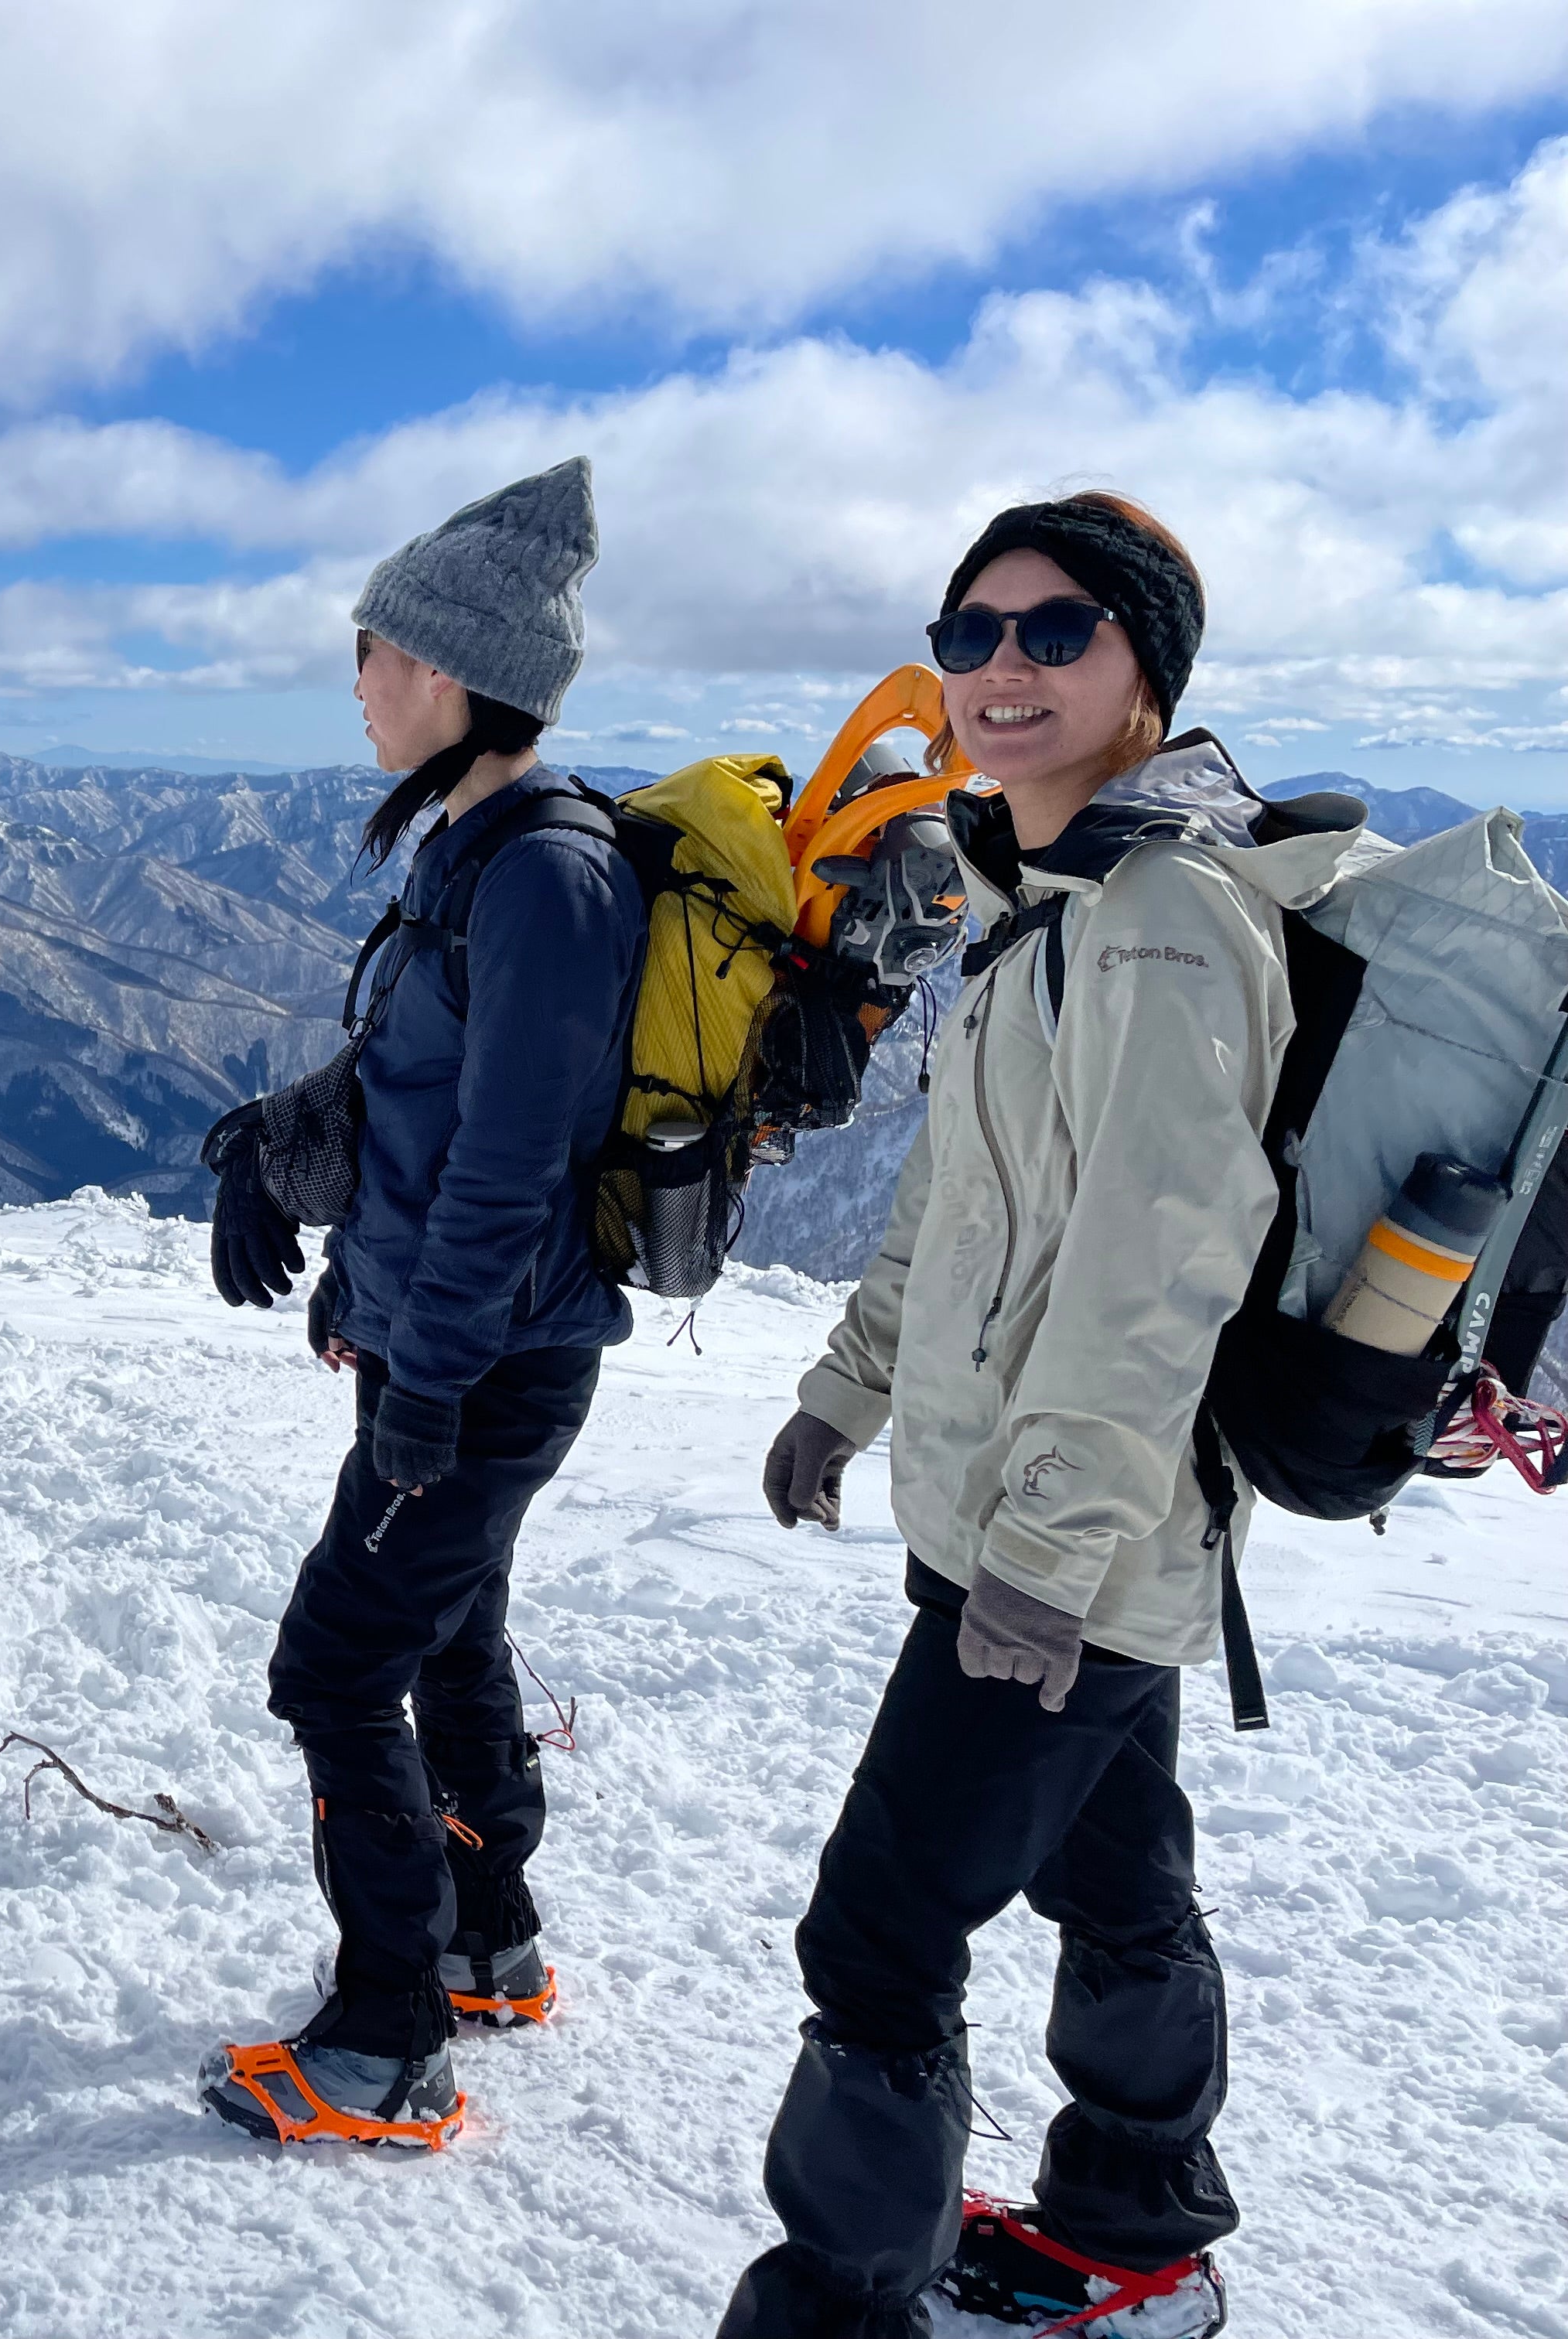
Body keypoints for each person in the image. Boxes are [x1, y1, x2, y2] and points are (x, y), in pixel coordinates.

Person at [716, 493, 1365, 2335]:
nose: (1001, 666)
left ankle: (848, 2305)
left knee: (881, 1934)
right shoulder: (1041, 894)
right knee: (1114, 1869)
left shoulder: (1159, 922)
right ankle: (1134, 2239)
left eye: (1057, 631)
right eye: (972, 629)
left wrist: (1046, 1562)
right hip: (1062, 1539)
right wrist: (847, 1390)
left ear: (1146, 671)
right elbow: (964, 1200)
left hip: (1057, 1552)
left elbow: (1153, 1266)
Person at [197, 457, 646, 2148]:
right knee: (449, 1629)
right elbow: (413, 1088)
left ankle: (386, 2041)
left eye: (375, 652)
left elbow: (512, 1161)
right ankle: (487, 1946)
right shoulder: (474, 856)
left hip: (495, 1363)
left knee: (334, 1663)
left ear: (450, 673)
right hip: (461, 1345)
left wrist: (428, 1380)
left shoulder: (547, 875)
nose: (360, 683)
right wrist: (281, 1167)